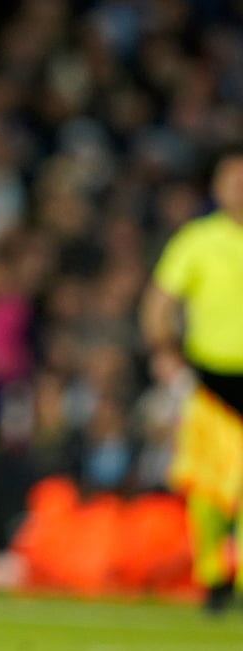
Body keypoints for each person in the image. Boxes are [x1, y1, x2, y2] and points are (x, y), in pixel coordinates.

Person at [139, 144, 243, 615]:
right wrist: (164, 353)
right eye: (231, 178)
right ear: (217, 187)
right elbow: (159, 302)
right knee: (206, 486)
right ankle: (212, 576)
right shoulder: (198, 240)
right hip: (212, 381)